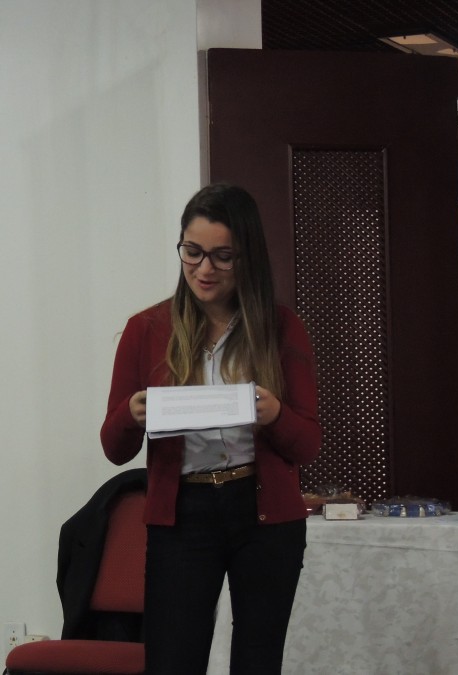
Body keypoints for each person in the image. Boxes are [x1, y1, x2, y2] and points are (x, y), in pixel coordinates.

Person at [100, 183, 321, 674]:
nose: (204, 269)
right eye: (192, 252)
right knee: (173, 660)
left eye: (222, 256)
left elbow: (307, 443)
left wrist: (275, 415)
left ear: (247, 257)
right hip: (183, 513)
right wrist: (131, 416)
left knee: (258, 661)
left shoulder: (280, 327)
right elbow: (113, 448)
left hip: (264, 515)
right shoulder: (146, 328)